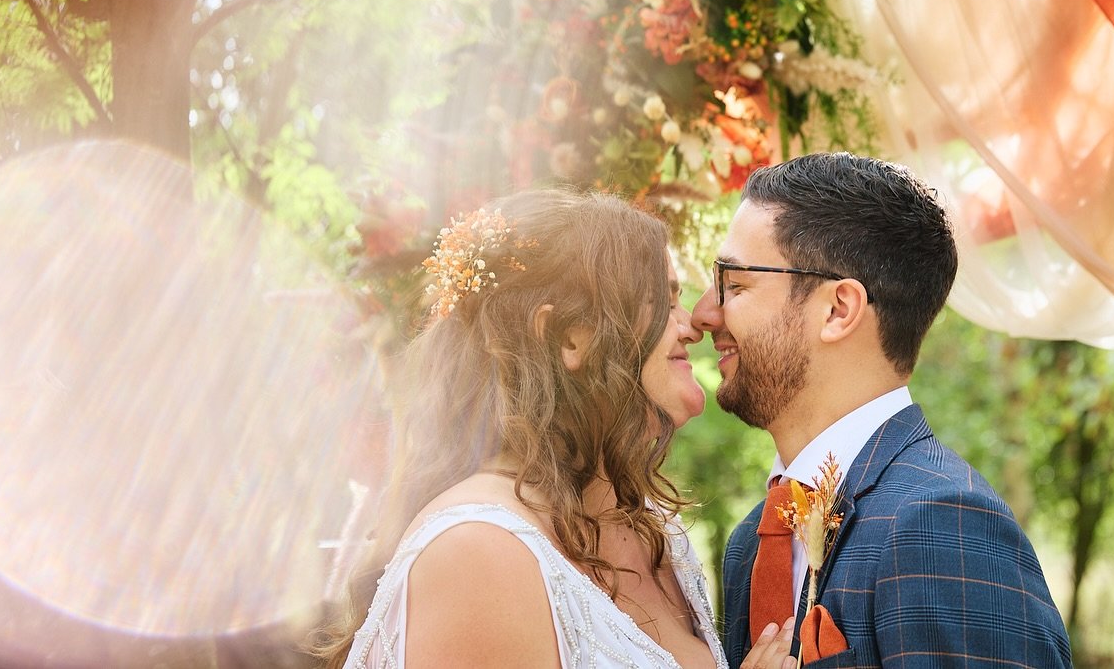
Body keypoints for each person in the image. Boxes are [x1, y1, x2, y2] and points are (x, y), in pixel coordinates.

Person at [315, 188, 799, 669]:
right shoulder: (477, 551)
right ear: (569, 337)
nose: (692, 323)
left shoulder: (651, 527)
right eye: (662, 300)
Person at [692, 153, 1073, 668]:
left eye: (735, 285)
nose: (703, 313)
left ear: (838, 309)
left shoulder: (939, 526)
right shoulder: (749, 546)